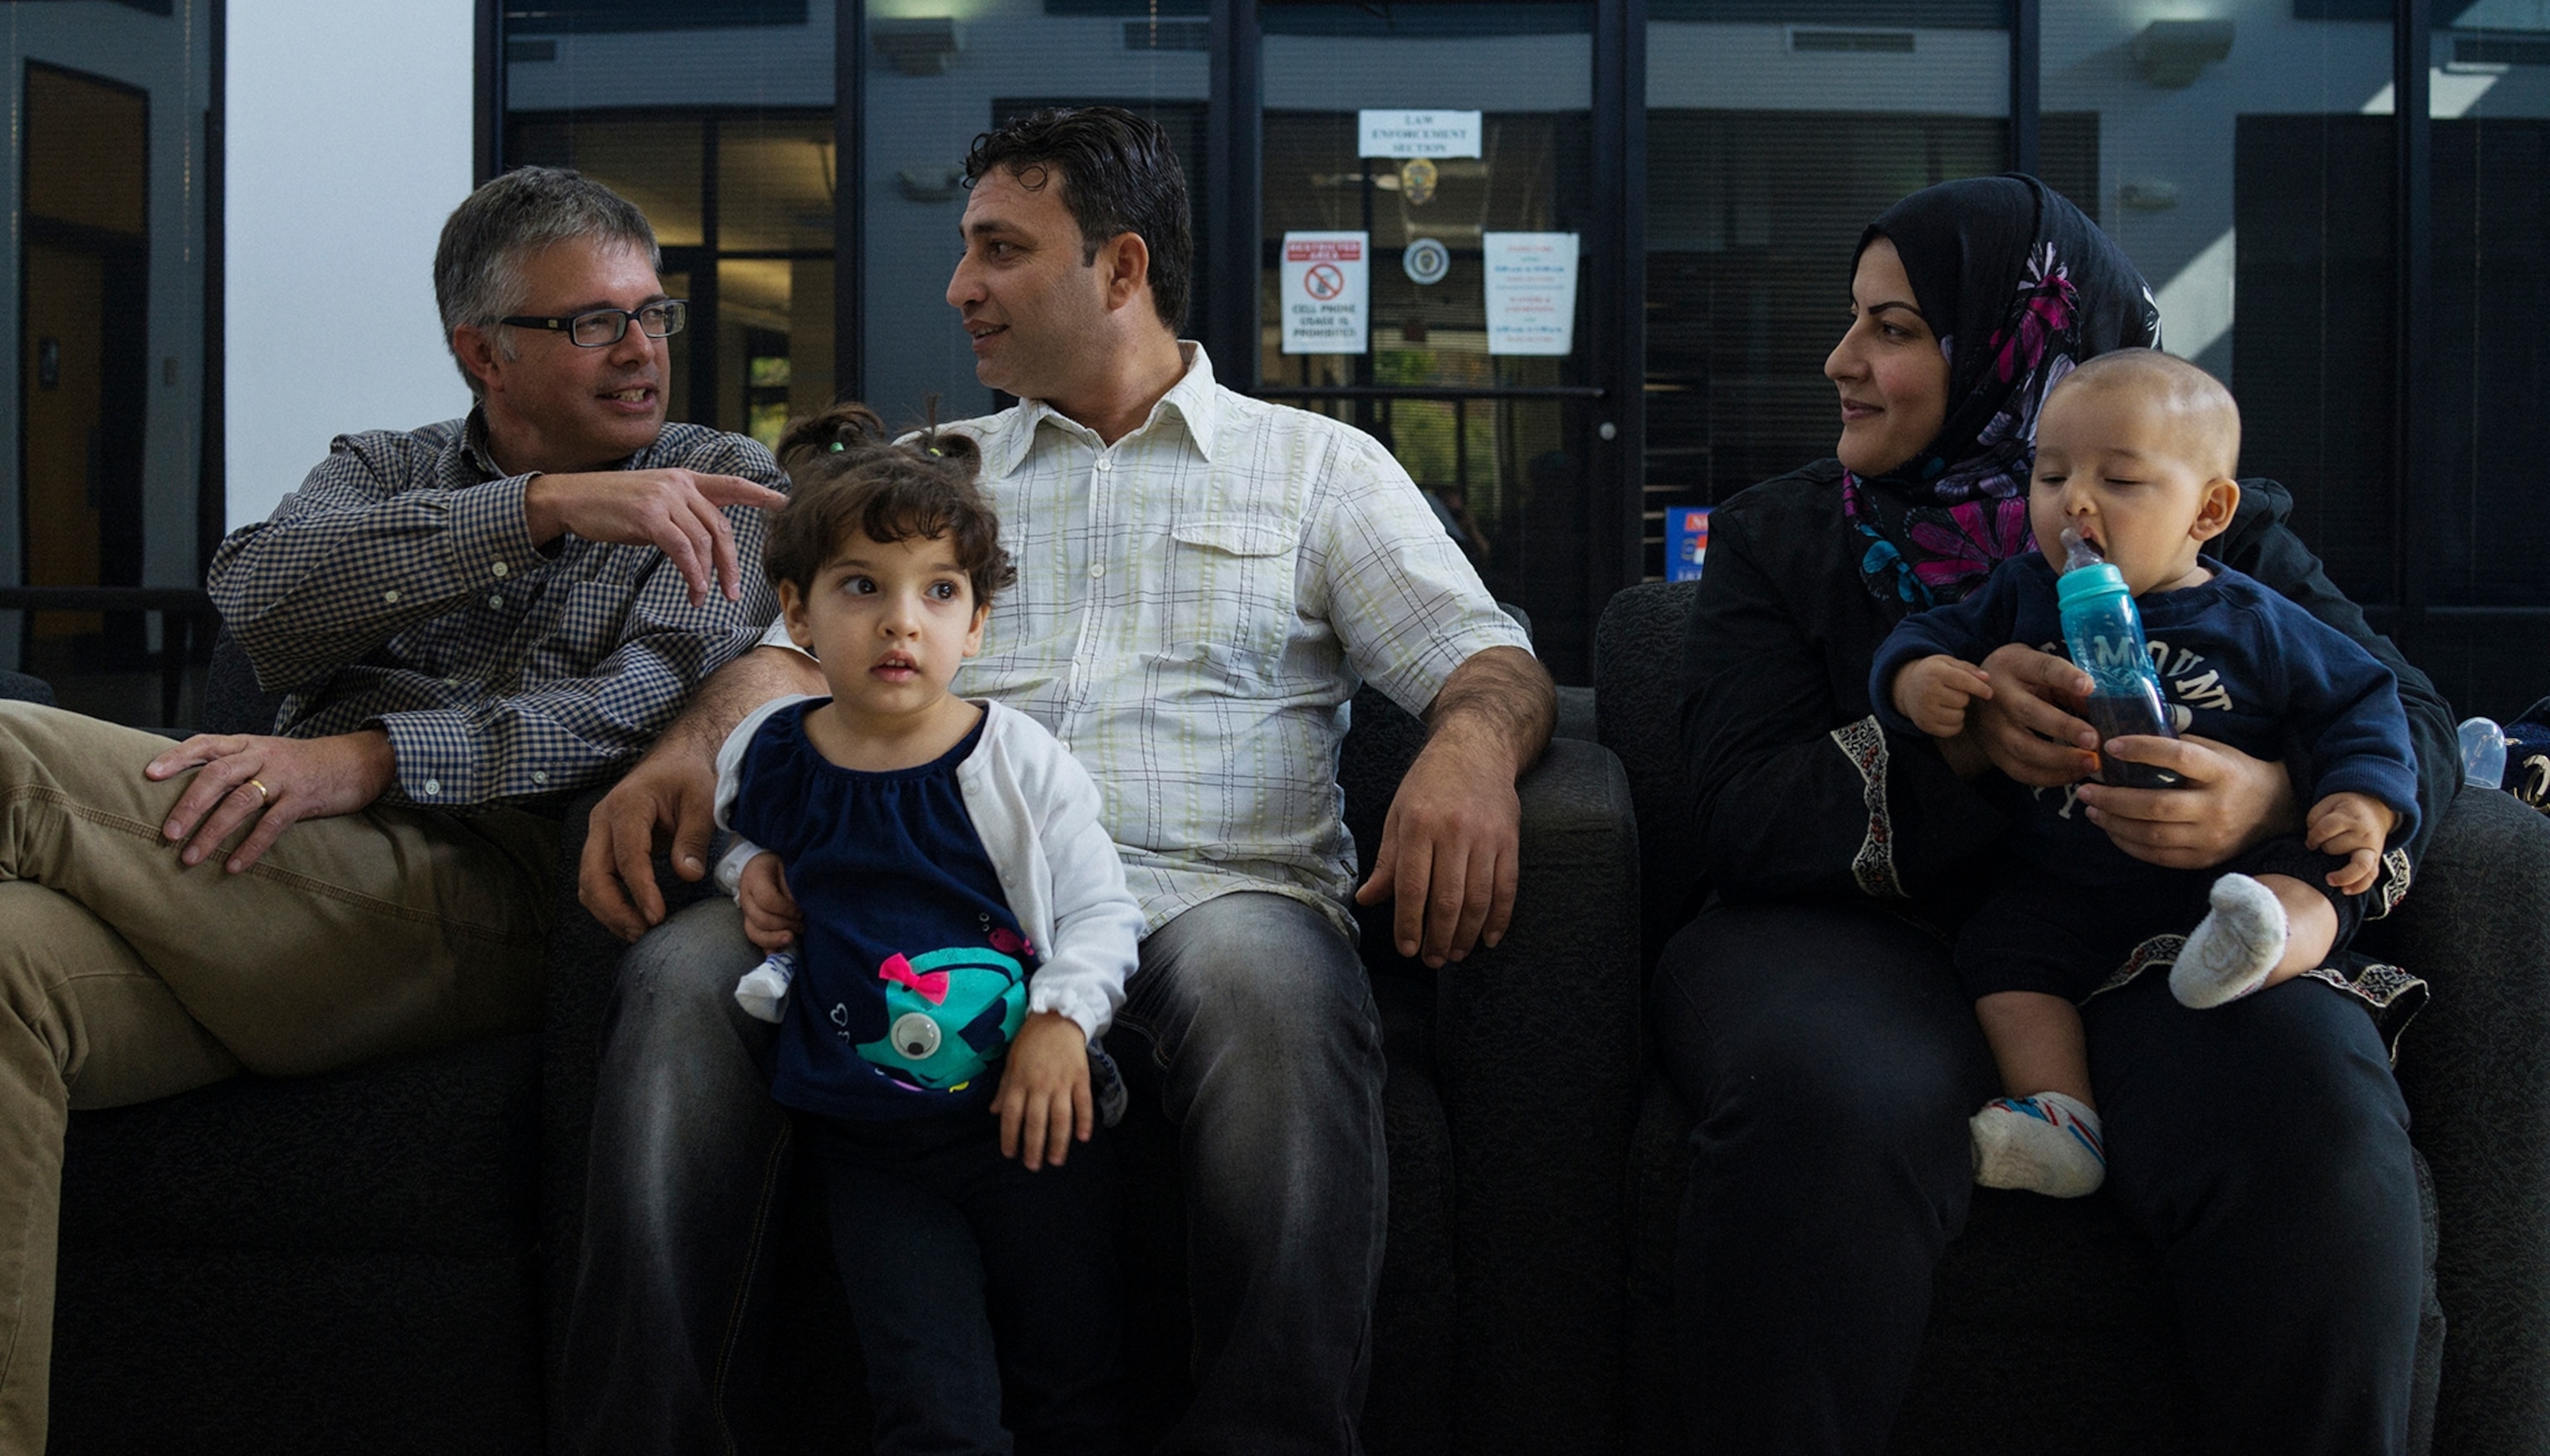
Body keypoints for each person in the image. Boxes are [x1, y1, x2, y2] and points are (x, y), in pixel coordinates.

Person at [562, 105, 1556, 1454]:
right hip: (930, 895)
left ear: (1121, 267)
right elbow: (789, 662)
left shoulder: (1315, 470)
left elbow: (1486, 658)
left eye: (999, 250)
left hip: (1216, 892)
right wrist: (691, 748)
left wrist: (1466, 745)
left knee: (1270, 994)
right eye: (965, 250)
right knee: (679, 978)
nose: (960, 287)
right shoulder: (936, 481)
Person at [1656, 173, 2458, 1456]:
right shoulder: (1783, 539)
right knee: (1830, 1104)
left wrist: (2277, 796)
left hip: (2140, 934)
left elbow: (2407, 716)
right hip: (1864, 940)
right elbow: (1736, 812)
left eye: (1896, 329)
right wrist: (1957, 748)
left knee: (2312, 1108)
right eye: (1854, 321)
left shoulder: (2205, 524)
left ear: (2026, 352)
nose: (1840, 361)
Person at [0, 165, 788, 1452]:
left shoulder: (721, 478)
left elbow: (640, 706)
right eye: (593, 321)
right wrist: (535, 510)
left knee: (12, 757)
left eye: (653, 314)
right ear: (484, 350)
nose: (640, 350)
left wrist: (367, 758)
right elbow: (265, 598)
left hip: (495, 895)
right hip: (281, 884)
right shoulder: (383, 468)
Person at [1872, 349, 2421, 1199]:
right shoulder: (2022, 590)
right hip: (2066, 876)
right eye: (2050, 476)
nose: (2074, 503)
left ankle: (2259, 947)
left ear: (2209, 509)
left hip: (2225, 877)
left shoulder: (2255, 617)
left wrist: (2362, 797)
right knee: (2002, 955)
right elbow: (1923, 639)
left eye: (2119, 481)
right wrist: (1918, 682)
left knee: (2314, 877)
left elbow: (2363, 699)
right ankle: (2062, 1116)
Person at [715, 401, 1143, 1456]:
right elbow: (733, 839)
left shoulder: (1016, 761)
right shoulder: (772, 751)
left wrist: (1060, 1022)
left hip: (1029, 1128)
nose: (901, 621)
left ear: (977, 624)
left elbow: (1101, 909)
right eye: (862, 586)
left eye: (938, 592)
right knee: (929, 1403)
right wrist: (749, 870)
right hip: (869, 1148)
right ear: (798, 613)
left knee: (1072, 1383)